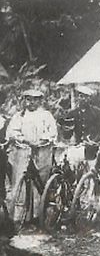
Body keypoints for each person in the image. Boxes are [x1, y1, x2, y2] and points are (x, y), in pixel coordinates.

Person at [6, 89, 58, 217]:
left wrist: (42, 140)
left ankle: (38, 214)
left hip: (42, 153)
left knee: (40, 181)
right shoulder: (19, 116)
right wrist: (22, 139)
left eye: (35, 100)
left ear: (40, 101)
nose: (31, 102)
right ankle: (21, 215)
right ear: (24, 101)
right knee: (20, 181)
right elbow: (12, 131)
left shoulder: (46, 115)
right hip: (22, 152)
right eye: (28, 99)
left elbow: (52, 132)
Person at [58, 85, 100, 160]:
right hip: (78, 148)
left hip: (94, 147)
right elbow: (67, 136)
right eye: (81, 96)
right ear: (78, 98)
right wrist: (65, 126)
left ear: (90, 98)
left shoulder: (97, 112)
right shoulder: (73, 113)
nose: (83, 99)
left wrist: (93, 141)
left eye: (86, 97)